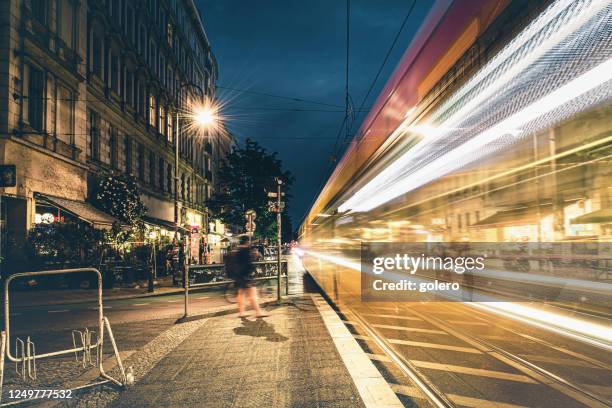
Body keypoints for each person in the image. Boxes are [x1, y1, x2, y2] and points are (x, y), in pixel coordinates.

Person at [225, 235, 268, 318]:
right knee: (253, 294)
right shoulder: (245, 250)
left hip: (237, 276)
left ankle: (241, 312)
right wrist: (254, 270)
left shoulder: (236, 250)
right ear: (247, 242)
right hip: (246, 275)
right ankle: (258, 312)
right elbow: (248, 263)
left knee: (240, 294)